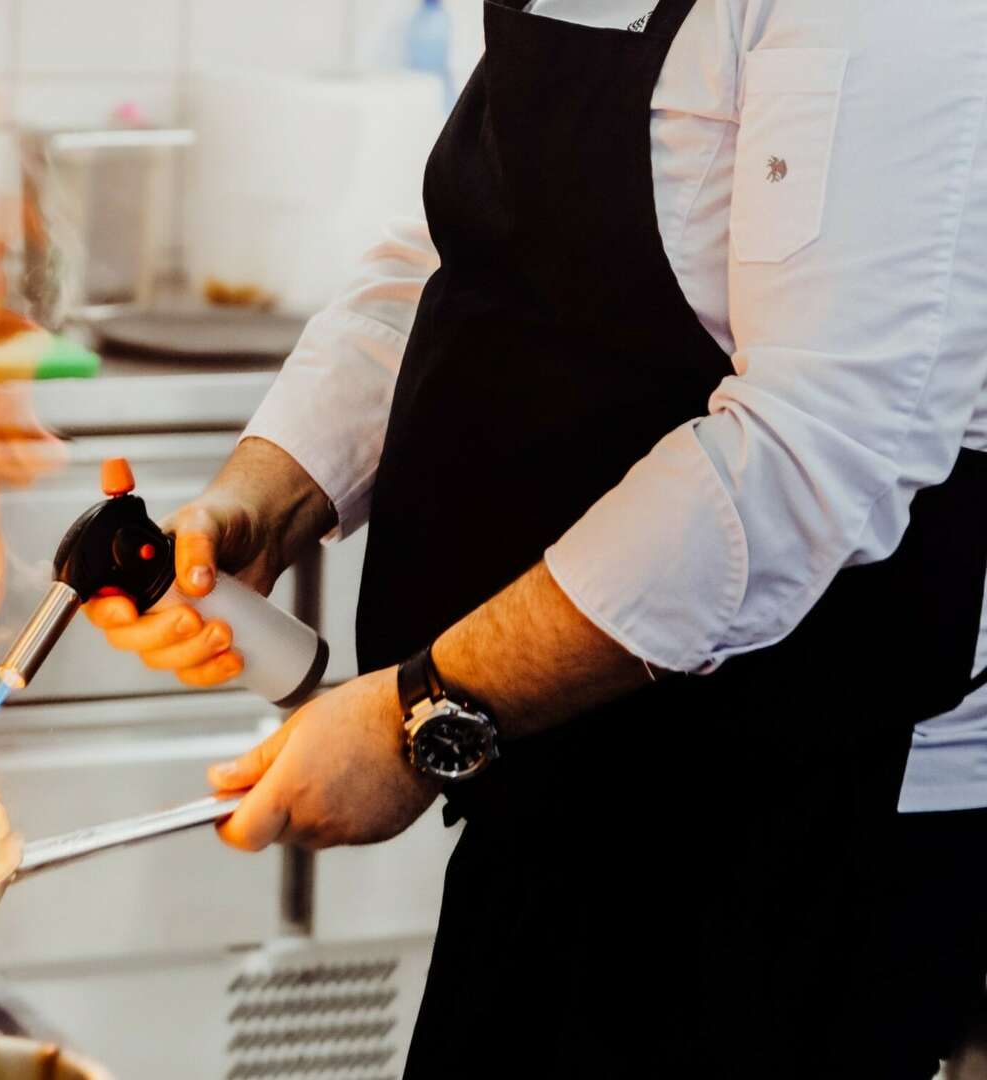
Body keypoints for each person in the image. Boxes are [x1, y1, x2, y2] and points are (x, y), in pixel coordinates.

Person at [87, 2, 987, 1075]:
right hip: (555, 759)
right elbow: (461, 255)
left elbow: (809, 453)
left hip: (801, 814)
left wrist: (420, 714)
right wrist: (269, 494)